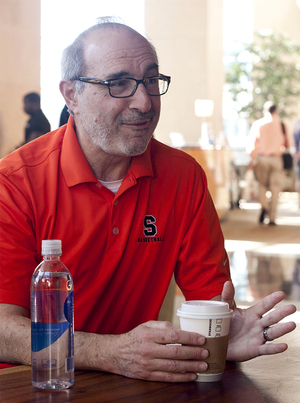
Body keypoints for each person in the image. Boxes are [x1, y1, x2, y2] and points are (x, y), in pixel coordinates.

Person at [0, 20, 296, 382]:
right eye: (119, 83)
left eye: (151, 81)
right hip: (32, 381)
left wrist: (221, 334)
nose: (144, 101)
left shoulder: (183, 176)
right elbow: (3, 330)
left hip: (133, 383)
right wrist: (111, 352)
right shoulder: (15, 182)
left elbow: (212, 301)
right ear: (71, 94)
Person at [247, 101, 291, 225]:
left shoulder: (258, 124)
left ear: (264, 111)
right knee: (276, 188)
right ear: (276, 111)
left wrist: (251, 162)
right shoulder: (282, 125)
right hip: (277, 159)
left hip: (262, 159)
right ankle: (272, 217)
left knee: (261, 185)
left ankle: (264, 206)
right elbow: (289, 144)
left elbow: (252, 146)